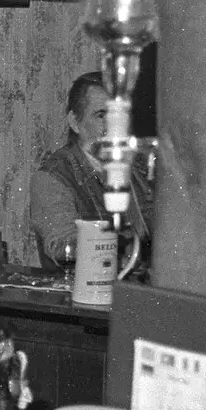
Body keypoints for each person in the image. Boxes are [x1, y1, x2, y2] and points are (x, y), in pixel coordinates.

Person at [29, 72, 154, 271]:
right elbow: (64, 247)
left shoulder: (140, 167)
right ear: (74, 122)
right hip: (87, 296)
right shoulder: (52, 177)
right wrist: (118, 243)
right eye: (101, 115)